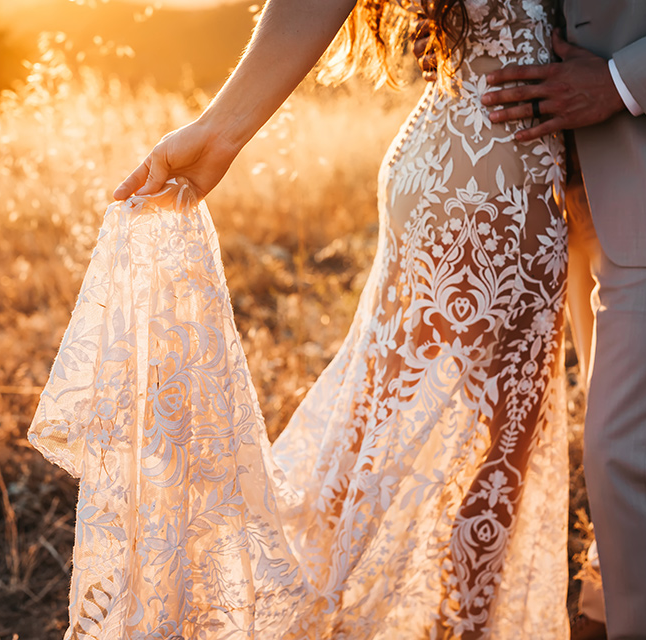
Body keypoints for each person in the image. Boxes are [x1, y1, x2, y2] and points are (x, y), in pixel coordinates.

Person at [29, 0, 574, 637]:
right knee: (495, 452)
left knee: (369, 434)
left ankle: (316, 618)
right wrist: (221, 129)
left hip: (441, 162)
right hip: (499, 183)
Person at [483, 3, 646, 638]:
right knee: (603, 425)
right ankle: (602, 613)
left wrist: (623, 81)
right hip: (550, 169)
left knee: (628, 448)